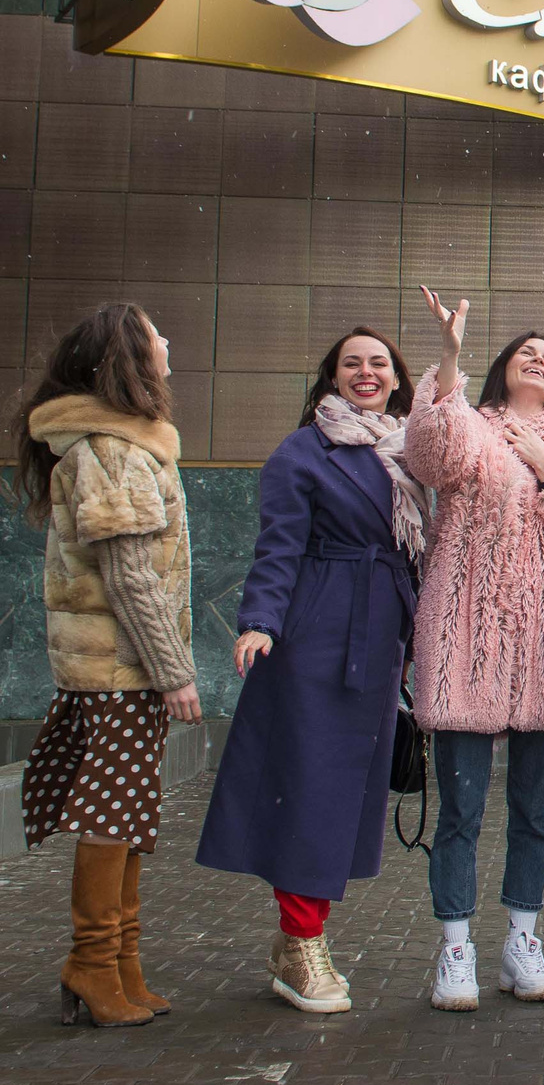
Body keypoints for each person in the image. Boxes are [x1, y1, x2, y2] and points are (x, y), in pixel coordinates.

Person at [195, 329, 423, 1015]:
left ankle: (299, 934)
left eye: (378, 362)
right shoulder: (304, 450)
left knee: (347, 793)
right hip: (317, 633)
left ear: (396, 378)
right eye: (352, 362)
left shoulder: (406, 449)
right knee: (310, 786)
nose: (366, 372)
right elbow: (279, 545)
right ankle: (301, 941)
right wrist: (261, 620)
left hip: (379, 637)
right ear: (331, 376)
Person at [405, 290, 544, 1012]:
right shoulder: (471, 423)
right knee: (460, 811)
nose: (540, 360)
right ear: (504, 367)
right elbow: (430, 453)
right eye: (528, 352)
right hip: (467, 640)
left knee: (533, 812)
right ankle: (455, 947)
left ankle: (523, 941)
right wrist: (449, 356)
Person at [13, 303, 203, 1030]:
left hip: (121, 669)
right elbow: (128, 578)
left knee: (124, 815)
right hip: (119, 671)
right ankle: (93, 963)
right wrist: (173, 671)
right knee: (113, 816)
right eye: (156, 335)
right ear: (129, 356)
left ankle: (119, 963)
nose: (167, 341)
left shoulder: (125, 444)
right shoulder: (112, 449)